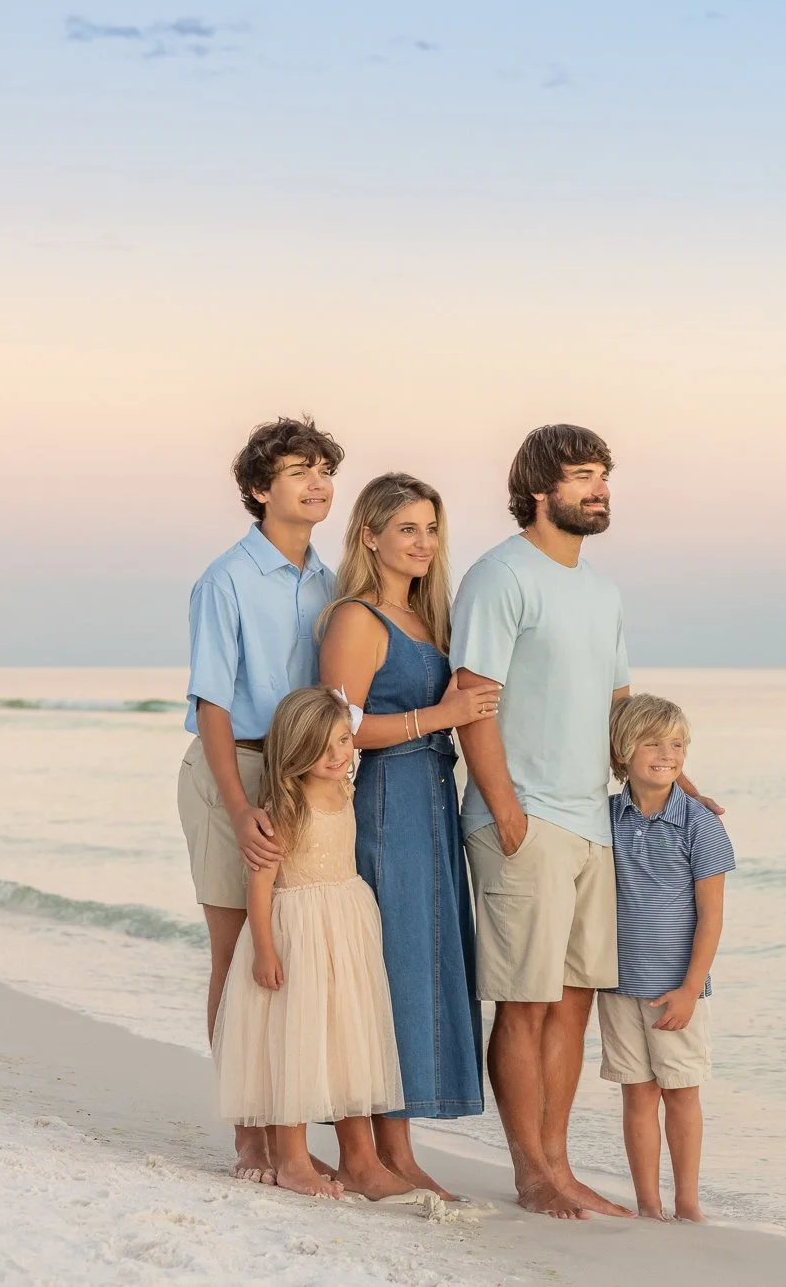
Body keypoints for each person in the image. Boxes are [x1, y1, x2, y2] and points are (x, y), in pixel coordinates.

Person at [449, 423, 719, 1220]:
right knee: (524, 1002)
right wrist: (504, 808)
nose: (600, 488)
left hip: (591, 825)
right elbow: (473, 694)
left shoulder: (601, 591)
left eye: (604, 474)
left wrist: (674, 773)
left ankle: (561, 1166)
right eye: (582, 476)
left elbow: (616, 707)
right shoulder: (502, 576)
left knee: (570, 1001)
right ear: (541, 490)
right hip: (524, 819)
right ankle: (530, 1172)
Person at [318, 472, 498, 1202]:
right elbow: (340, 726)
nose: (423, 544)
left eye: (431, 530)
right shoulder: (357, 618)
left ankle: (400, 1153)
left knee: (418, 971)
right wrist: (440, 718)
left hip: (432, 801)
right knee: (380, 973)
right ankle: (362, 1155)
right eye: (407, 530)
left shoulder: (432, 617)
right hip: (385, 801)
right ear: (370, 536)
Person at [178, 415, 342, 1184]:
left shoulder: (330, 581)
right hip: (235, 770)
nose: (318, 484)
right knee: (238, 949)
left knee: (291, 949)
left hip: (305, 780)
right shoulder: (226, 580)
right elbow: (211, 703)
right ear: (258, 488)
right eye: (299, 471)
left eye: (323, 471)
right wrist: (240, 809)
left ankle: (286, 1130)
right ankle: (249, 1134)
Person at [212, 687, 414, 1202]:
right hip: (297, 932)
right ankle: (294, 1161)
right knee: (295, 1042)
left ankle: (359, 1160)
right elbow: (259, 885)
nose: (337, 755)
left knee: (344, 1033)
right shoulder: (284, 807)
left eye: (344, 741)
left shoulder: (346, 789)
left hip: (345, 927)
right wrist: (263, 950)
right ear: (294, 750)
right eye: (323, 747)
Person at [599, 694, 734, 1222]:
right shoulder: (607, 818)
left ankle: (688, 1204)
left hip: (675, 988)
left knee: (680, 1093)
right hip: (618, 983)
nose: (667, 753)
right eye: (652, 742)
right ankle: (648, 1206)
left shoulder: (699, 822)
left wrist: (689, 987)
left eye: (676, 744)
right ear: (622, 754)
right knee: (637, 1095)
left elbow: (712, 915)